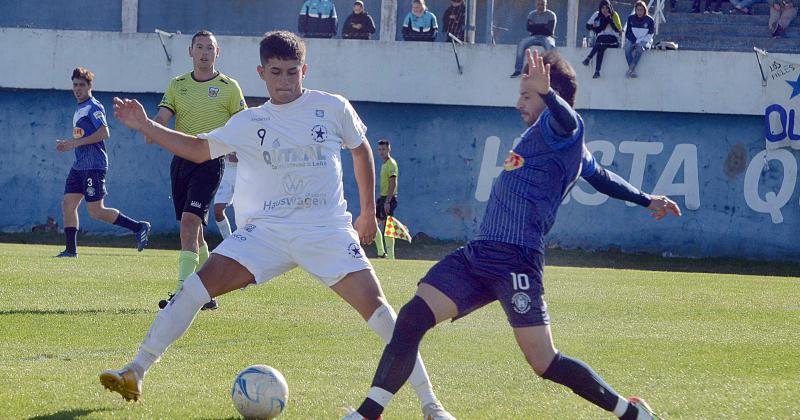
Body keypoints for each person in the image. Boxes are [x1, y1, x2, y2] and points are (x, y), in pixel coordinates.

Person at [99, 31, 455, 420]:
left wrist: (368, 211)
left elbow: (360, 149)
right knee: (193, 290)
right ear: (261, 73)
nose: (285, 82)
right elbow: (199, 150)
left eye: (292, 72)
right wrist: (146, 125)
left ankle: (431, 405)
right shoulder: (249, 121)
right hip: (265, 233)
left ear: (304, 70)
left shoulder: (332, 107)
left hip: (326, 231)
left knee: (383, 315)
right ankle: (135, 370)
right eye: (276, 73)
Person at [342, 50, 680, 420]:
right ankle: (368, 413)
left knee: (544, 361)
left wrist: (549, 96)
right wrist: (646, 199)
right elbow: (602, 177)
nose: (519, 101)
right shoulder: (553, 140)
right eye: (522, 93)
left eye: (527, 94)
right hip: (480, 255)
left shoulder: (563, 128)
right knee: (411, 318)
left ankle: (631, 413)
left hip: (517, 261)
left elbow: (569, 123)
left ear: (551, 95)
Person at [152, 30, 246, 311]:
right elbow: (162, 117)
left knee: (189, 223)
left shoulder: (230, 87)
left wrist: (240, 150)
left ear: (217, 53)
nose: (204, 52)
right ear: (190, 51)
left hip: (210, 161)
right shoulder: (177, 84)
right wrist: (149, 127)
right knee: (195, 231)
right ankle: (207, 292)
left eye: (210, 48)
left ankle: (183, 292)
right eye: (200, 47)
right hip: (181, 161)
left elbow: (244, 125)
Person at [55, 67, 150, 258]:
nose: (78, 89)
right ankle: (70, 251)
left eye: (82, 85)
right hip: (79, 165)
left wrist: (73, 144)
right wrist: (72, 145)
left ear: (90, 86)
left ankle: (139, 227)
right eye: (75, 85)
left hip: (93, 166)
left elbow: (104, 133)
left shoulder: (94, 106)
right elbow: (84, 135)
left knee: (96, 211)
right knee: (68, 204)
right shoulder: (80, 107)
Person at [511, 0, 557, 78]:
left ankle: (549, 70)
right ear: (536, 5)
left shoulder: (551, 15)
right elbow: (529, 28)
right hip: (534, 37)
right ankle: (518, 70)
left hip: (547, 37)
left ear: (546, 5)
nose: (540, 6)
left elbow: (549, 30)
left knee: (549, 46)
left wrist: (536, 26)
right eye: (539, 4)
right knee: (522, 43)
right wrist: (543, 26)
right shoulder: (531, 15)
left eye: (542, 4)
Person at [582, 0, 622, 79]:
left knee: (600, 44)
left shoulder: (614, 15)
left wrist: (609, 19)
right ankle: (597, 71)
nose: (605, 10)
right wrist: (594, 27)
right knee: (600, 46)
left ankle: (589, 58)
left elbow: (618, 30)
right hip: (601, 38)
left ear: (609, 8)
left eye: (607, 8)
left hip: (612, 38)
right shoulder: (597, 15)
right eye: (603, 8)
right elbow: (588, 26)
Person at [374, 139, 398, 260]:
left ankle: (391, 257)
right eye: (379, 150)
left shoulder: (391, 164)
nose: (381, 152)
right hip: (383, 198)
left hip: (389, 198)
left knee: (388, 226)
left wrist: (388, 201)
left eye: (384, 149)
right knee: (374, 223)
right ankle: (382, 253)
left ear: (389, 149)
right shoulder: (384, 164)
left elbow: (393, 183)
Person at [624, 1, 655, 78]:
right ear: (635, 10)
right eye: (638, 10)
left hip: (645, 40)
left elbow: (650, 35)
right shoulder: (630, 18)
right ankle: (632, 71)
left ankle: (630, 69)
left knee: (639, 49)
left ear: (645, 10)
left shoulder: (650, 20)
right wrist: (635, 41)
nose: (639, 12)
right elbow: (628, 32)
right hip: (633, 39)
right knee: (627, 48)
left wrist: (639, 42)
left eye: (641, 9)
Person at [213, 153, 237, 239]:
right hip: (225, 171)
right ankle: (229, 242)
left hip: (243, 172)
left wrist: (241, 156)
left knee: (243, 212)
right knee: (218, 211)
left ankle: (246, 243)